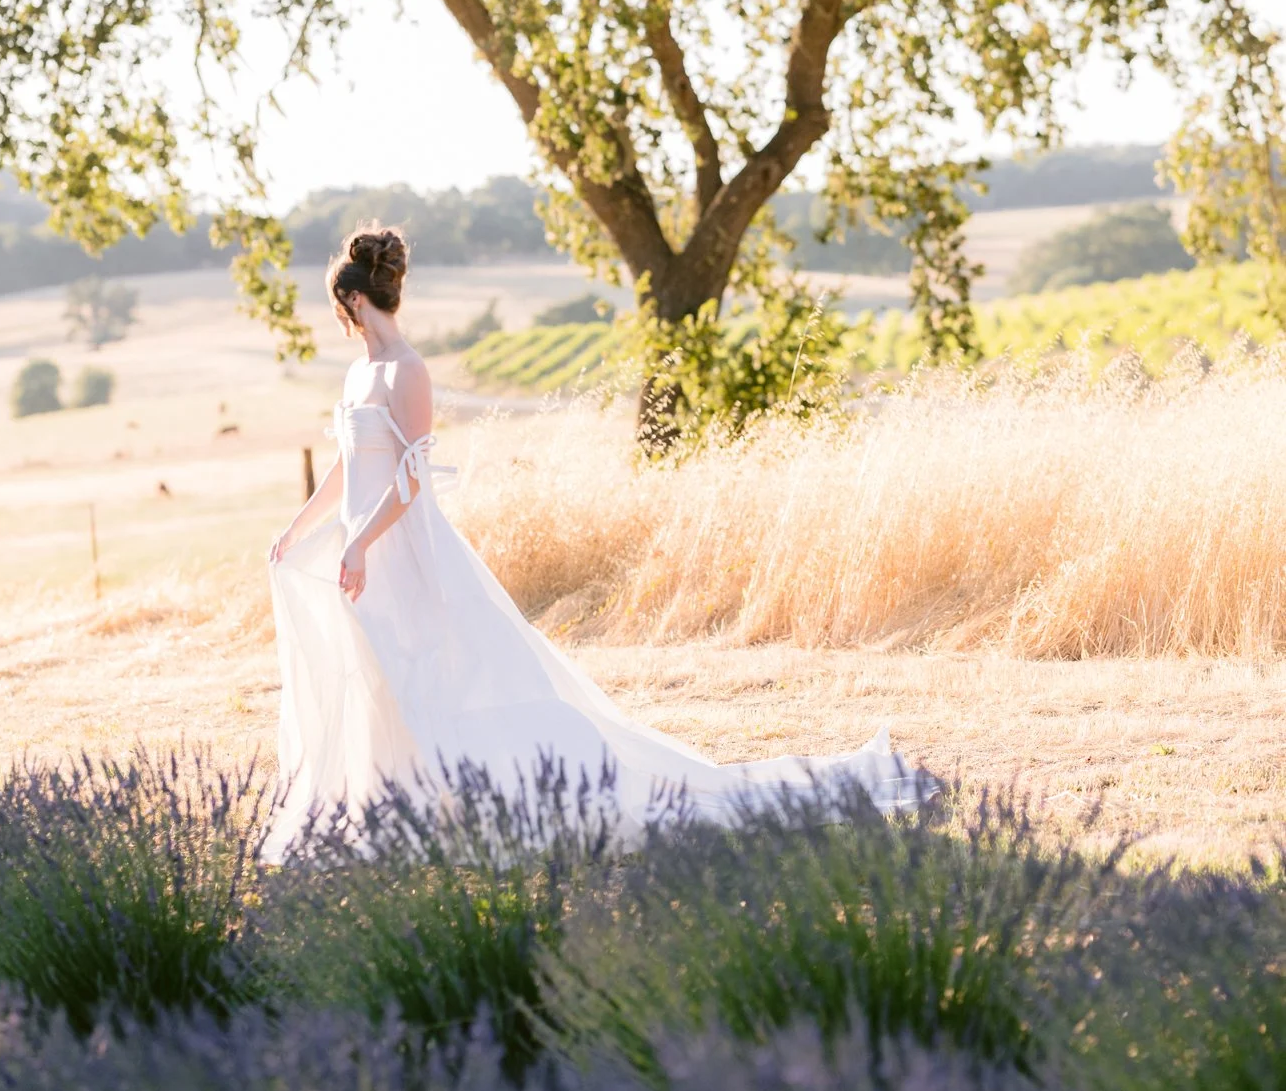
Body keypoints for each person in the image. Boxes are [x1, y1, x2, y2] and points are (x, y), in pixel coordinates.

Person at [265, 222, 931, 859]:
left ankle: (489, 802)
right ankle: (398, 810)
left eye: (339, 305)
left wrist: (359, 544)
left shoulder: (408, 369)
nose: (340, 317)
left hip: (403, 550)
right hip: (363, 548)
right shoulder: (358, 375)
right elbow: (349, 466)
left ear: (354, 297)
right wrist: (302, 528)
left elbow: (411, 479)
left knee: (429, 673)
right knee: (376, 675)